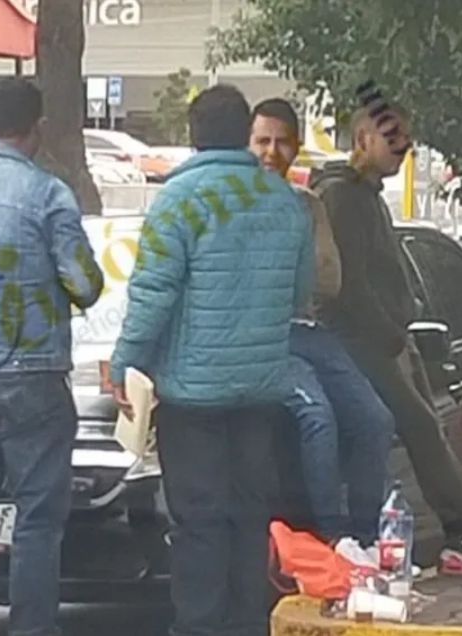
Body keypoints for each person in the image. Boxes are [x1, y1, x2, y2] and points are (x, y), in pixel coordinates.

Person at [111, 86, 314, 636]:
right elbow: (300, 294)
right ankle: (249, 623)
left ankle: (199, 626)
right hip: (261, 389)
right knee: (250, 515)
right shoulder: (287, 202)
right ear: (245, 132)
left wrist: (125, 361)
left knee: (199, 520)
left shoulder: (179, 200)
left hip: (193, 394)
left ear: (193, 135)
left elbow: (153, 293)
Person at [312, 104, 462, 574]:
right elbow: (349, 285)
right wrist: (389, 334)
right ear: (363, 140)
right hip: (363, 342)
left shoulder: (367, 195)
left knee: (425, 428)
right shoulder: (342, 196)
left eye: (406, 139)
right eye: (392, 138)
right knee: (419, 428)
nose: (402, 148)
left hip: (392, 337)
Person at [0, 78, 104, 636]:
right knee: (37, 518)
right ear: (38, 129)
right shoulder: (48, 194)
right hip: (31, 375)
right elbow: (84, 283)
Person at [248, 98, 394, 545]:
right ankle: (332, 537)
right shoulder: (235, 203)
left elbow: (330, 282)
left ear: (296, 147)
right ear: (246, 144)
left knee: (376, 420)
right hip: (266, 335)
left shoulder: (307, 205)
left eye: (281, 142)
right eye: (262, 141)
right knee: (318, 418)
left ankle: (365, 539)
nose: (271, 151)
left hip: (311, 332)